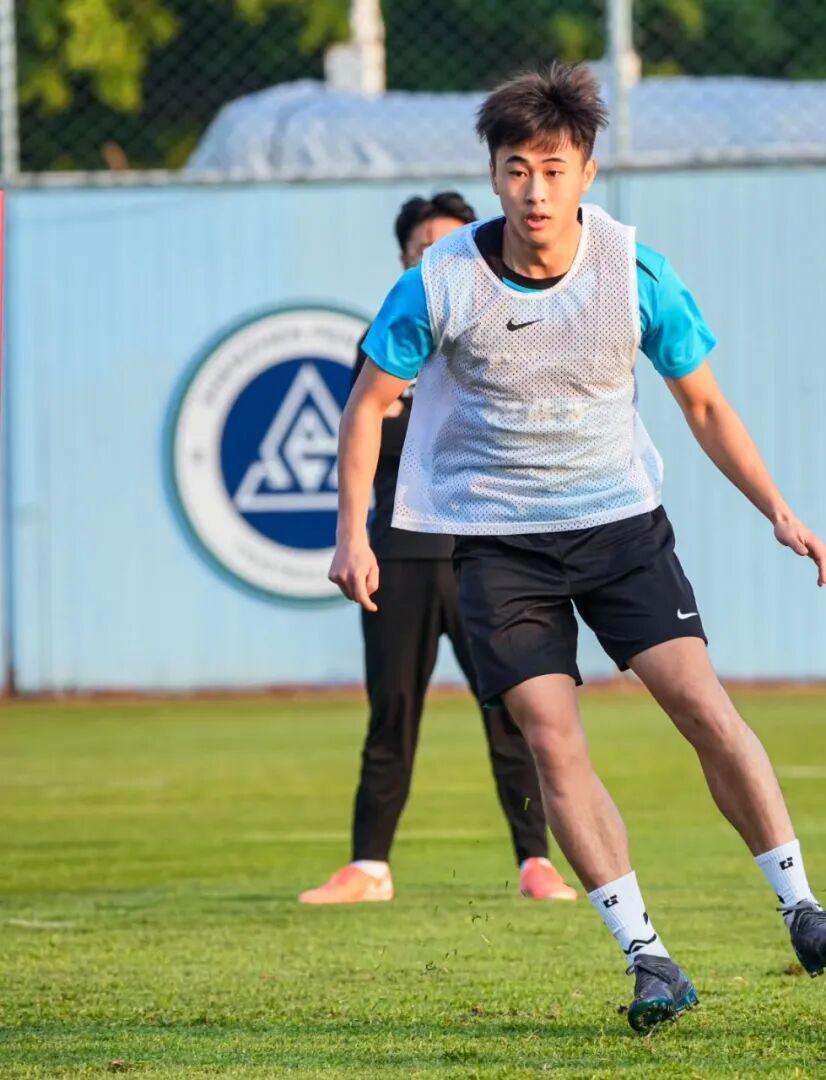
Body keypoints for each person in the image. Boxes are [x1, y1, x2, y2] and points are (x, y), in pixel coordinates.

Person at [331, 65, 826, 1031]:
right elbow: (368, 404)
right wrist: (350, 538)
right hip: (497, 543)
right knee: (551, 737)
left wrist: (778, 511)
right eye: (516, 169)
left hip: (620, 527)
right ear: (493, 177)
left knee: (701, 705)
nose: (535, 190)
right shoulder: (439, 281)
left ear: (586, 172)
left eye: (554, 169)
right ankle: (648, 958)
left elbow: (706, 406)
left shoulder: (634, 270)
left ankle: (803, 907)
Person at [301, 192, 576, 906]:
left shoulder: (500, 332)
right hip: (399, 558)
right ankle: (369, 867)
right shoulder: (389, 340)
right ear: (404, 259)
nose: (438, 258)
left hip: (488, 555)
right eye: (423, 247)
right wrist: (353, 536)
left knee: (515, 712)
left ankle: (537, 862)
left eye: (451, 244)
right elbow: (369, 431)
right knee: (392, 713)